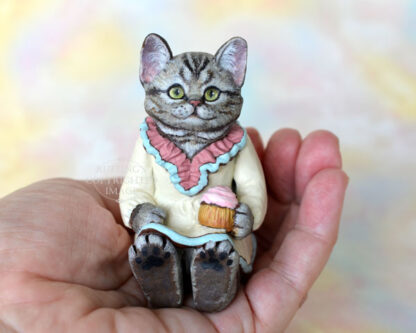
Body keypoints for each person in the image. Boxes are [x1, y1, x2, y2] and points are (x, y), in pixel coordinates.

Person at [0, 128, 348, 333]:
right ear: (150, 81)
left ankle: (215, 283)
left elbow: (253, 189)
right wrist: (138, 213)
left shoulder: (235, 144)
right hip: (165, 228)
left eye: (212, 94)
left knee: (219, 249)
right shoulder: (150, 142)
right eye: (177, 93)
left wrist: (247, 216)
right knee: (155, 241)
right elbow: (135, 187)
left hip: (217, 233)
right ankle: (161, 275)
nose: (193, 106)